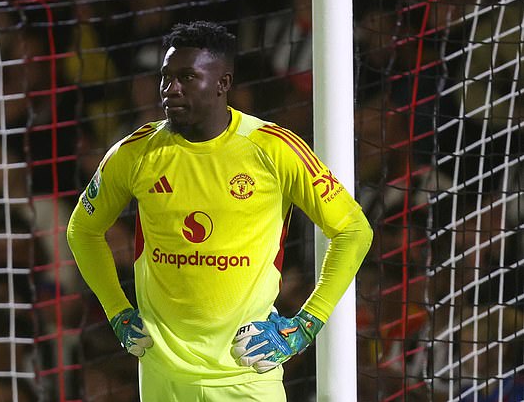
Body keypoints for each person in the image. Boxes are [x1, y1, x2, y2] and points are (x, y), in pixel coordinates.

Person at [67, 20, 373, 401]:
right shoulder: (136, 152)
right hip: (162, 378)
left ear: (222, 83)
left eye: (186, 78)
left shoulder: (273, 149)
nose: (170, 89)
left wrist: (305, 325)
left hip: (246, 377)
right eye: (166, 77)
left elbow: (354, 230)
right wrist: (117, 310)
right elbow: (82, 230)